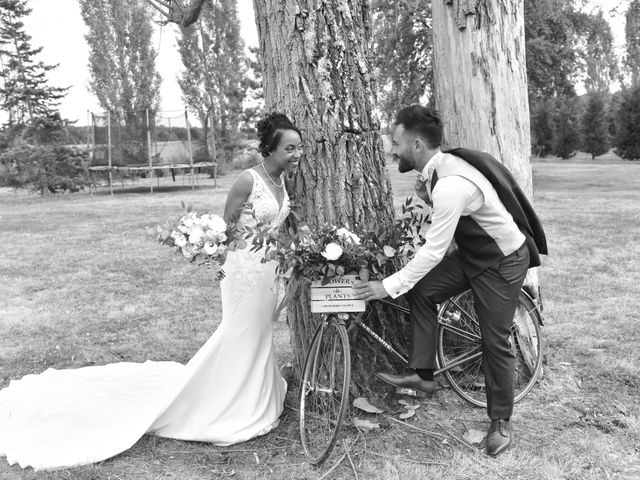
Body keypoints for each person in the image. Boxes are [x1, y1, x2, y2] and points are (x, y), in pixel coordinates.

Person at [0, 112, 303, 471]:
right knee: (241, 333)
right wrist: (221, 254)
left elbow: (279, 228)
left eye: (299, 148)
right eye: (290, 148)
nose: (297, 154)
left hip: (270, 272)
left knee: (262, 333)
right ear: (270, 148)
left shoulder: (284, 183)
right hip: (243, 272)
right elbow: (228, 230)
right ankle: (230, 405)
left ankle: (259, 397)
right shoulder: (246, 180)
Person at [353, 105, 547, 457]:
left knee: (494, 340)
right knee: (424, 292)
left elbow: (432, 252)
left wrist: (387, 285)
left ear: (414, 143)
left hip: (502, 261)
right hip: (474, 255)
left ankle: (501, 420)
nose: (391, 150)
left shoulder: (450, 184)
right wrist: (427, 196)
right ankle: (423, 375)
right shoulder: (438, 169)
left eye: (395, 143)